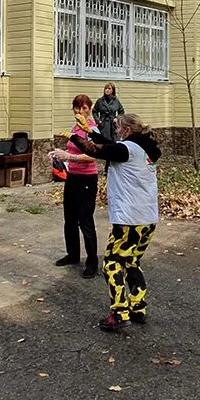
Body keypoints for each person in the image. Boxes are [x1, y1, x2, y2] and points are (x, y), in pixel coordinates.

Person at [54, 112, 162, 333]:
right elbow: (110, 145)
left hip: (130, 220)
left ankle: (119, 313)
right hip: (147, 219)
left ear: (127, 130)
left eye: (117, 127)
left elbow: (96, 150)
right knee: (131, 262)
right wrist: (89, 132)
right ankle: (138, 306)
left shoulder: (128, 149)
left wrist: (74, 138)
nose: (116, 131)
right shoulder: (142, 149)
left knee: (111, 264)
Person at [54, 94, 100, 277]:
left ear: (89, 110)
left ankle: (92, 262)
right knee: (70, 218)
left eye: (84, 108)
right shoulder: (75, 128)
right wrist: (60, 153)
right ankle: (72, 254)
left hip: (87, 179)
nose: (80, 112)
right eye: (77, 108)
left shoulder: (91, 130)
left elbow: (93, 155)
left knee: (85, 220)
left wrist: (70, 157)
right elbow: (72, 150)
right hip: (72, 177)